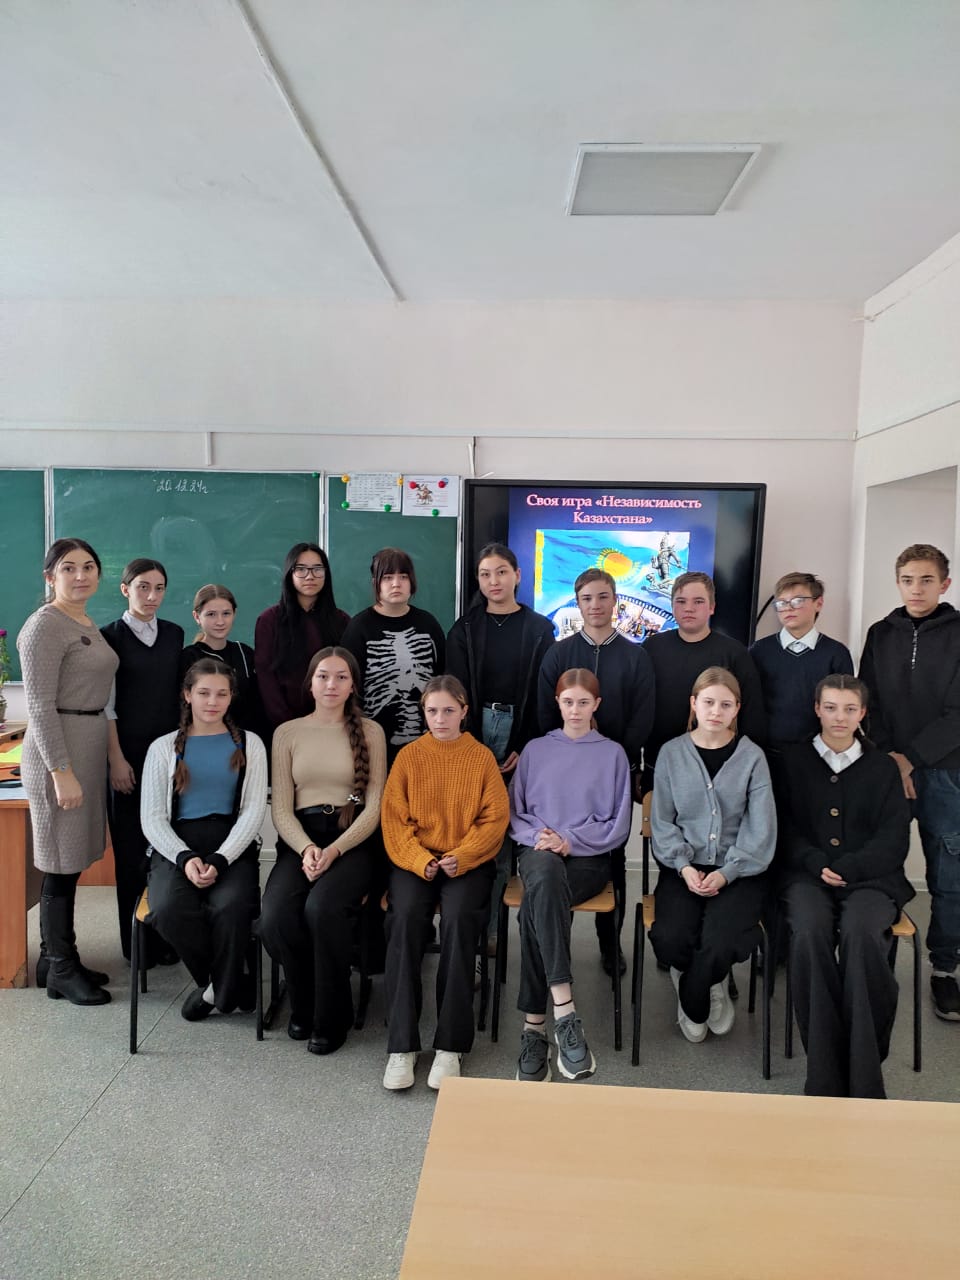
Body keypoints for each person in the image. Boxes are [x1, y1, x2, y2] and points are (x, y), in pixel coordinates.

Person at [778, 675, 912, 1097]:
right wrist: (815, 861)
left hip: (871, 878)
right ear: (817, 709)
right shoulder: (793, 761)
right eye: (831, 707)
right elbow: (783, 828)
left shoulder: (883, 767)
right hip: (807, 876)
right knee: (809, 931)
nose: (840, 717)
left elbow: (894, 838)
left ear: (863, 714)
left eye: (850, 709)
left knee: (863, 934)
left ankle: (864, 1071)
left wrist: (852, 866)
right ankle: (824, 1071)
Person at [380, 676, 509, 1091]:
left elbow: (494, 820)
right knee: (404, 920)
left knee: (458, 921)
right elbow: (394, 821)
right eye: (432, 711)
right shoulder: (409, 757)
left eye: (448, 711)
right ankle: (402, 1046)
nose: (440, 719)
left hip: (467, 862)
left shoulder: (481, 758)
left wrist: (463, 856)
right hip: (416, 860)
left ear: (464, 712)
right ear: (424, 712)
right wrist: (421, 860)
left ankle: (450, 1046)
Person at [258, 647, 387, 1055]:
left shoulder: (371, 732)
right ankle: (304, 1003)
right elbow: (281, 807)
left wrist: (333, 851)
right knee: (275, 916)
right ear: (310, 683)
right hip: (301, 840)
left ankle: (332, 1015)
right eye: (323, 676)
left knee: (322, 909)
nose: (332, 684)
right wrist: (308, 848)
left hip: (353, 840)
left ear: (352, 686)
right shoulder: (287, 733)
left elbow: (375, 807)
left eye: (341, 677)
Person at [509, 669, 633, 1082]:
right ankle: (565, 1011)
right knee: (544, 879)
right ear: (557, 704)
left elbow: (618, 824)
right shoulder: (535, 750)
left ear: (596, 704)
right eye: (568, 702)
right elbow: (515, 813)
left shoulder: (613, 754)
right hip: (538, 850)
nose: (575, 710)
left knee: (536, 904)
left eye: (583, 702)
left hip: (589, 858)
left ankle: (534, 1027)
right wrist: (542, 838)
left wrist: (570, 841)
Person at [859, 543, 960, 1021]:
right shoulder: (881, 633)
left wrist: (911, 758)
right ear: (897, 583)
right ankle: (875, 958)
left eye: (926, 580)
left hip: (947, 773)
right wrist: (890, 758)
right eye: (907, 580)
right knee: (882, 868)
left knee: (949, 878)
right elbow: (868, 701)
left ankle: (944, 969)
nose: (915, 589)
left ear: (944, 584)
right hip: (887, 771)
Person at [537, 567, 655, 975]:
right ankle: (559, 947)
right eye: (587, 598)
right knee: (560, 856)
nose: (596, 605)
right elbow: (544, 711)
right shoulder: (559, 654)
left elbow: (643, 716)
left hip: (612, 773)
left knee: (612, 858)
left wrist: (614, 757)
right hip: (563, 776)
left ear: (615, 600)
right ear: (578, 603)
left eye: (603, 597)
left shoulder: (636, 656)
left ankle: (610, 945)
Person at [17, 538, 118, 1005]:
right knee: (59, 863)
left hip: (87, 745)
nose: (81, 575)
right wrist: (60, 771)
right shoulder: (43, 625)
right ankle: (60, 968)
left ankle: (55, 957)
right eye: (69, 568)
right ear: (50, 576)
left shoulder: (83, 620)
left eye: (89, 566)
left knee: (71, 860)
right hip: (59, 754)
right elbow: (38, 705)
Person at [650, 666, 775, 1042]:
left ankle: (699, 986)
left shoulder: (752, 757)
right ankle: (700, 974)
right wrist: (684, 866)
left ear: (737, 708)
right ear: (694, 704)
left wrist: (727, 872)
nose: (716, 712)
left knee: (722, 940)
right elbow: (662, 821)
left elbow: (761, 828)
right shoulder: (672, 753)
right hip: (684, 868)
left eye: (725, 704)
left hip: (738, 871)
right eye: (708, 702)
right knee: (670, 937)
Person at [140, 659, 267, 1020]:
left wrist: (222, 859)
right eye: (203, 693)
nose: (212, 702)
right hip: (176, 846)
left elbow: (253, 811)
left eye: (221, 694)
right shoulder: (163, 748)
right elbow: (152, 818)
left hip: (232, 846)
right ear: (187, 695)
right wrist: (184, 858)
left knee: (231, 908)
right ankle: (228, 984)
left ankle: (214, 994)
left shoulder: (251, 744)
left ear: (231, 698)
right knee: (168, 910)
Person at [446, 542, 556, 942]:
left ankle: (504, 933)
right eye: (485, 574)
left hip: (524, 739)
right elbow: (455, 693)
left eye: (502, 572)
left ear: (517, 576)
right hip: (473, 738)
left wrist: (524, 745)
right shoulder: (465, 629)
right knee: (479, 834)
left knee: (512, 830)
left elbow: (545, 694)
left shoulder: (540, 629)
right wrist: (475, 748)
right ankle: (483, 934)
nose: (494, 581)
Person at [102, 558, 184, 963]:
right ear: (125, 589)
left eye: (159, 588)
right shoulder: (108, 637)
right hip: (128, 756)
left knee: (165, 846)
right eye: (143, 587)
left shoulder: (173, 634)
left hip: (168, 756)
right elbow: (106, 706)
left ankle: (164, 936)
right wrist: (116, 760)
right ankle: (136, 947)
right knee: (131, 851)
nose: (152, 596)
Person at [643, 571, 766, 788]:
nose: (688, 608)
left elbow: (752, 715)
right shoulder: (652, 648)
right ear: (672, 605)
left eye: (698, 601)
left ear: (712, 607)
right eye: (681, 601)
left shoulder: (734, 653)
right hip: (660, 764)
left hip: (718, 769)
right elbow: (640, 706)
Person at [341, 547, 446, 765]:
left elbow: (443, 678)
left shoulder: (428, 624)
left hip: (427, 744)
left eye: (403, 577)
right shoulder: (359, 628)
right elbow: (349, 688)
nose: (396, 584)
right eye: (387, 577)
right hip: (373, 745)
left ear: (412, 582)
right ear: (375, 583)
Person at [750, 572, 853, 750]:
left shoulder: (836, 653)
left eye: (797, 601)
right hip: (766, 751)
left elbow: (843, 708)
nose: (788, 608)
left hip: (817, 751)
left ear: (818, 603)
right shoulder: (759, 651)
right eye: (781, 603)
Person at [254, 543, 349, 736]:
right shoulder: (269, 620)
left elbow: (346, 677)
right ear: (290, 573)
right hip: (283, 728)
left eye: (317, 569)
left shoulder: (342, 621)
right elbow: (266, 678)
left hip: (333, 726)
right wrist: (288, 726)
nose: (310, 576)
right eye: (301, 569)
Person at [180, 584, 262, 733]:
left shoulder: (244, 652)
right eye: (211, 614)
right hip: (206, 737)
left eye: (226, 613)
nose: (220, 621)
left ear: (234, 614)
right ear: (197, 617)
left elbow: (256, 702)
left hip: (247, 738)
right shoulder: (189, 657)